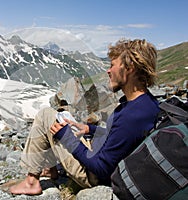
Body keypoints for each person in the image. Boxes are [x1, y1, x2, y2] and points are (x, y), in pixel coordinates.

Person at [9, 39, 160, 195]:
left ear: (130, 69)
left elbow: (101, 168)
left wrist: (65, 136)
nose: (108, 71)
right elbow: (122, 138)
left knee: (45, 115)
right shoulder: (144, 103)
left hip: (93, 176)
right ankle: (51, 170)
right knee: (59, 118)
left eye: (112, 65)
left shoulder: (133, 115)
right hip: (98, 153)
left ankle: (31, 182)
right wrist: (90, 129)